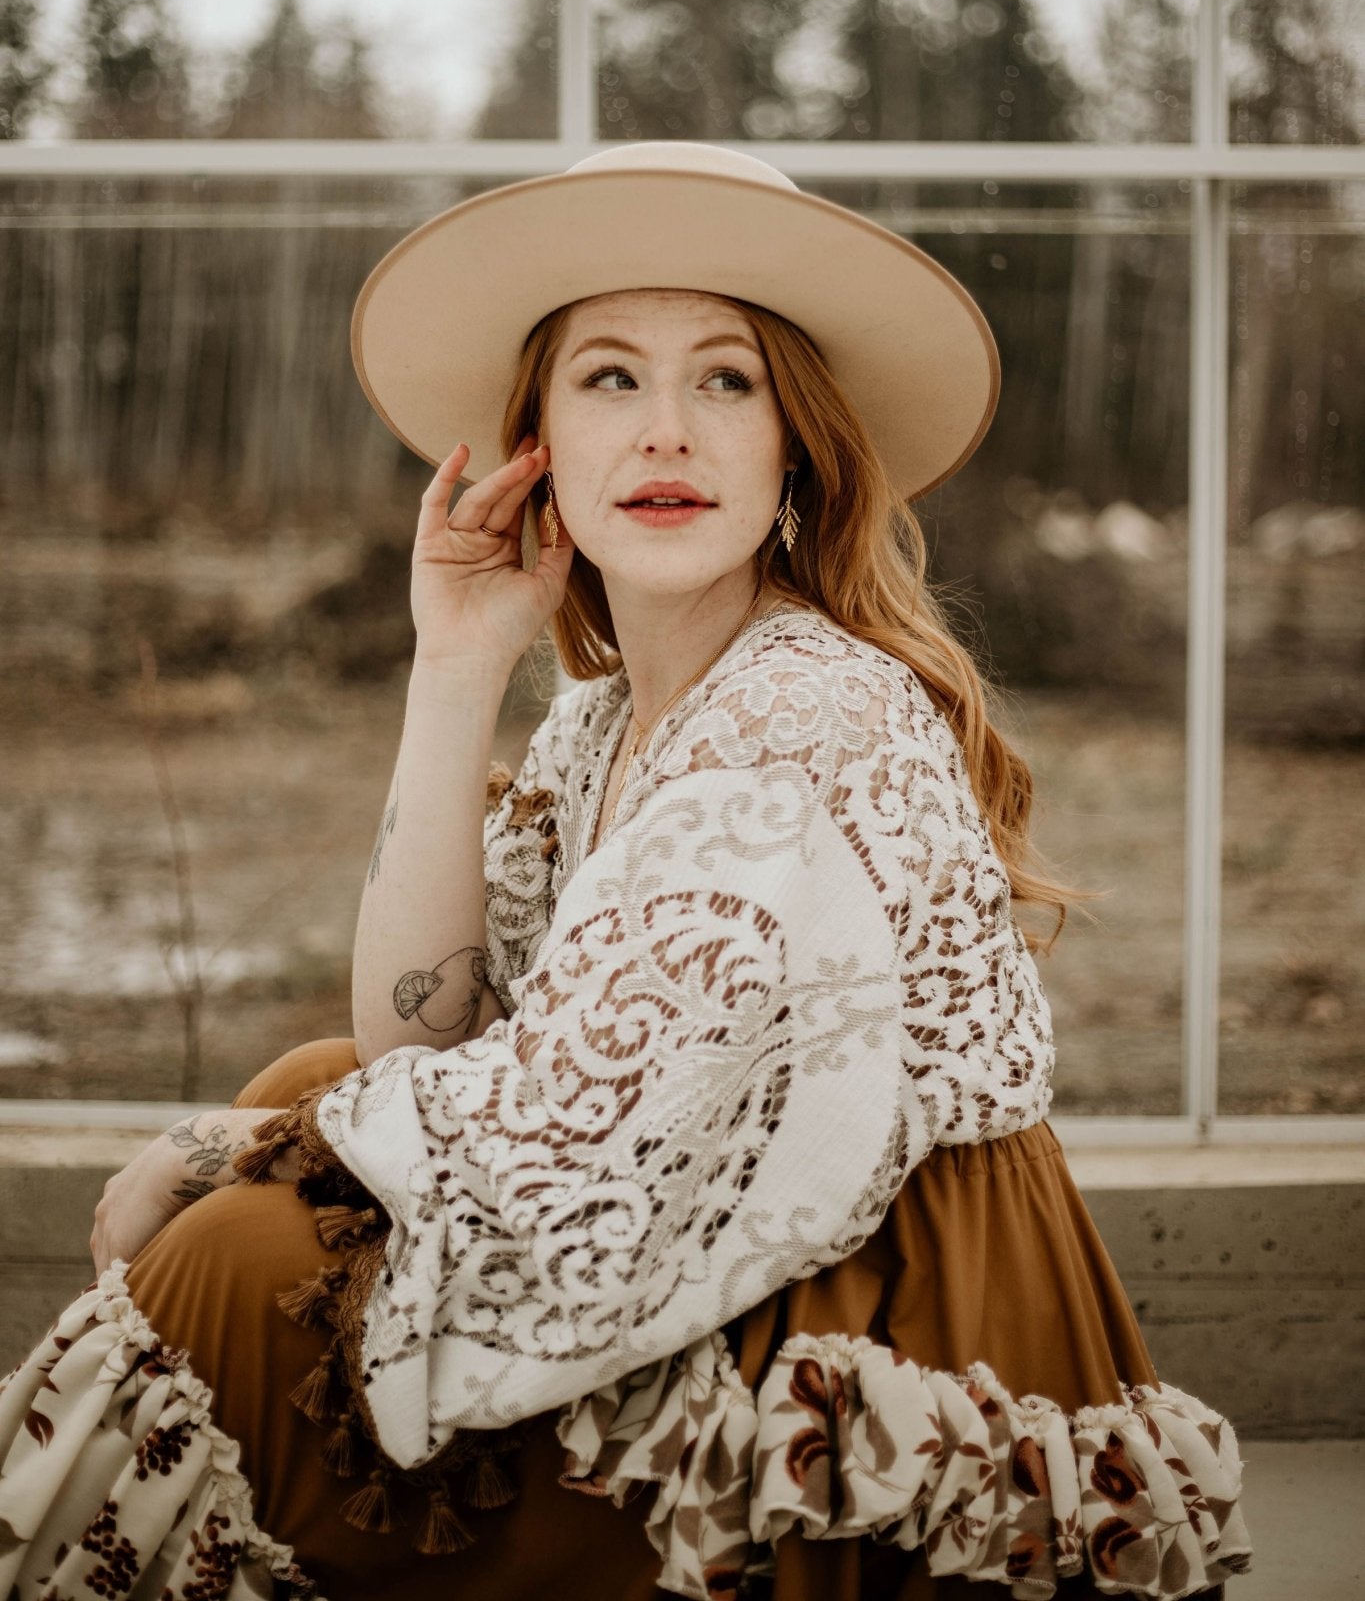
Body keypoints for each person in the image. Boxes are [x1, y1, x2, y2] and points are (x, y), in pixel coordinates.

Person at [0, 141, 1251, 1601]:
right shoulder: (606, 716)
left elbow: (549, 1135)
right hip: (716, 1213)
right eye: (608, 380)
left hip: (866, 1315)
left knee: (233, 1246)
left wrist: (215, 1149)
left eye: (726, 380)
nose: (666, 432)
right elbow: (437, 1036)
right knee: (303, 1082)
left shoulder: (800, 711)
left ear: (797, 446)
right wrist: (455, 662)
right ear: (539, 444)